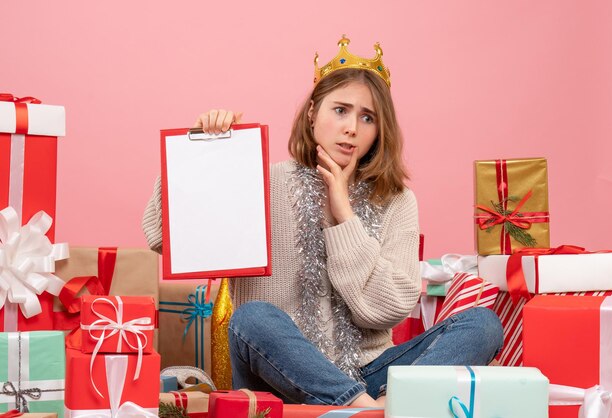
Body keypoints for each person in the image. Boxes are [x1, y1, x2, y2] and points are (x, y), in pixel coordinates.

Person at [143, 35, 503, 408]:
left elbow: (384, 310)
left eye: (368, 118)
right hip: (277, 373)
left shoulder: (397, 200)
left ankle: (375, 404)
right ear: (313, 112)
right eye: (340, 110)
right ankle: (371, 410)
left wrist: (343, 215)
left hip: (372, 371)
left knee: (482, 325)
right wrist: (203, 149)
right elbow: (162, 237)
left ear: (380, 131)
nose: (352, 128)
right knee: (253, 317)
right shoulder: (260, 181)